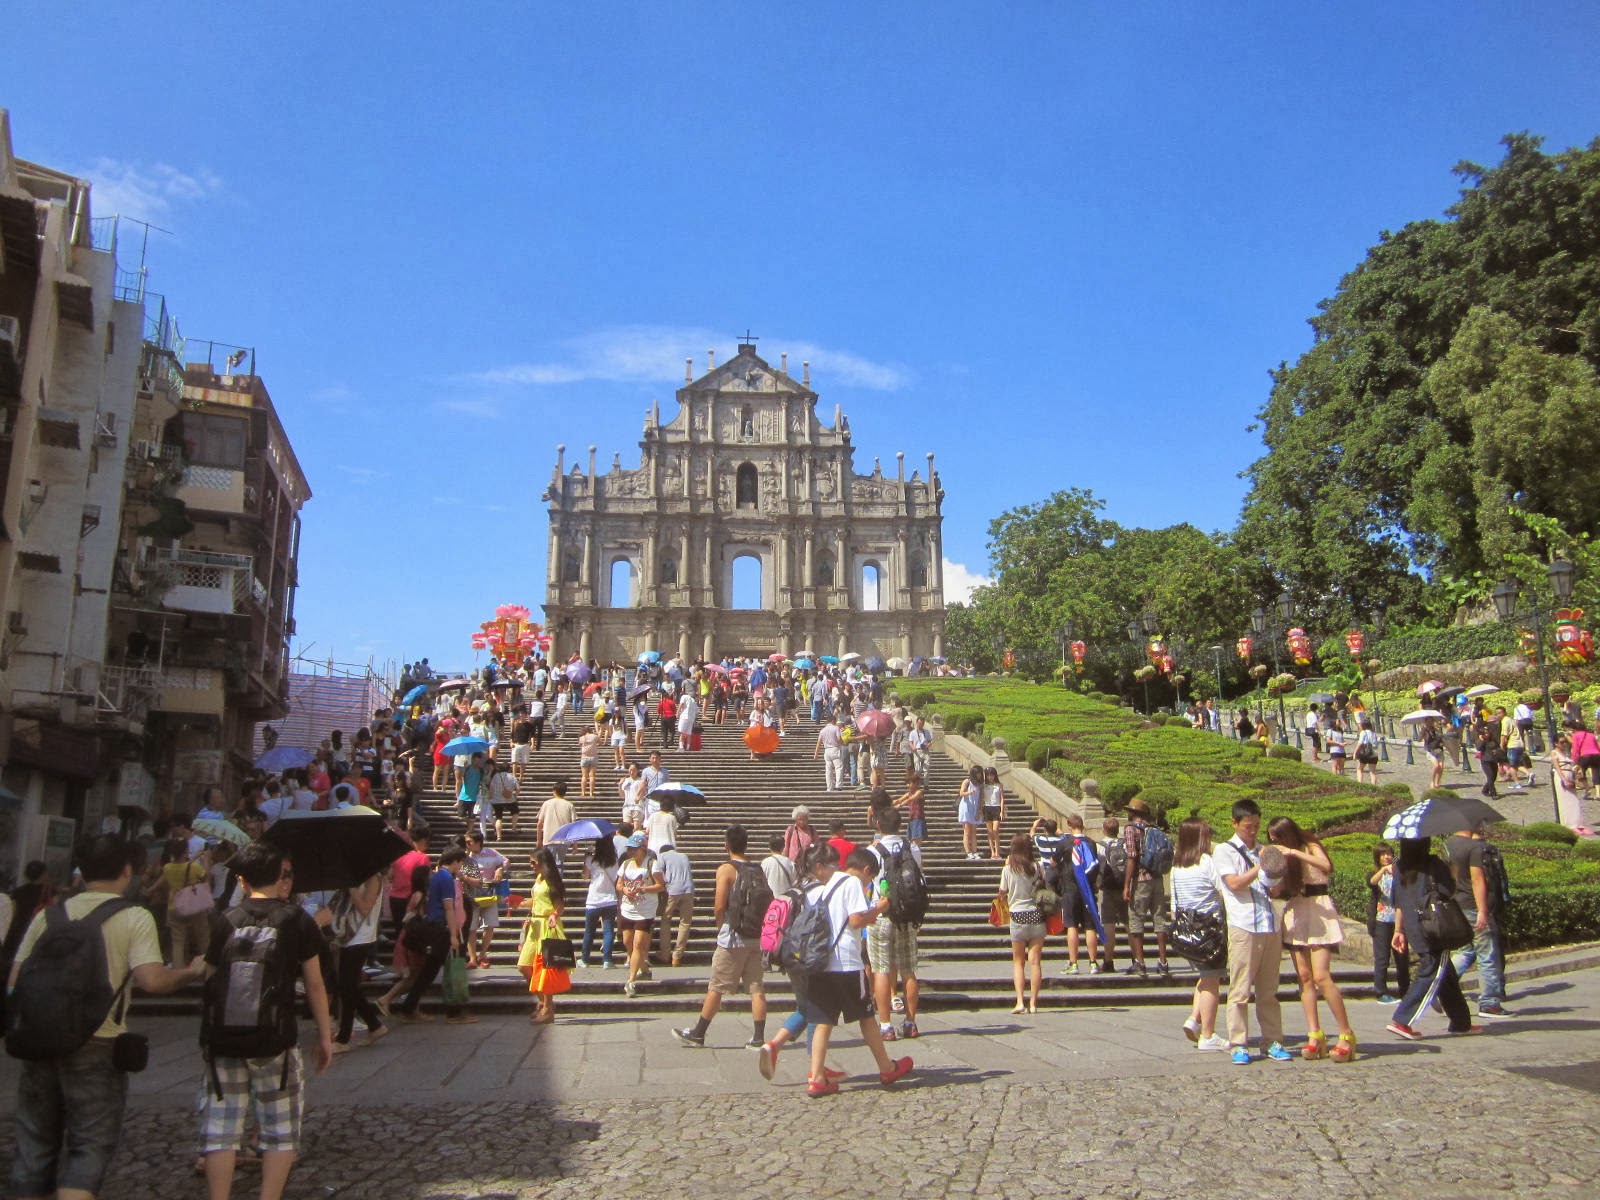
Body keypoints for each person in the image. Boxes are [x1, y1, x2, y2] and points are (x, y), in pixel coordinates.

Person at [8, 836, 203, 1200]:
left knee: (33, 1146)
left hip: (38, 1041)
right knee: (89, 1145)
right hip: (98, 1041)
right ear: (127, 871)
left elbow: (15, 981)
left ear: (82, 872)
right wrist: (190, 973)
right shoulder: (133, 916)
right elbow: (153, 980)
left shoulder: (49, 916)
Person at [197, 841, 334, 1200]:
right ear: (281, 877)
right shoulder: (296, 920)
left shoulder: (225, 919)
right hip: (276, 1036)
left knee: (221, 1130)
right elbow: (315, 985)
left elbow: (210, 982)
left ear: (242, 881)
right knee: (280, 1129)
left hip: (223, 1039)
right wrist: (325, 1035)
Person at [796, 843, 912, 1097]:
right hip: (847, 963)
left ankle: (817, 1077)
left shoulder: (821, 886)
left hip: (821, 963)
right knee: (866, 1016)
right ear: (866, 870)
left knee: (822, 1021)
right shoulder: (850, 882)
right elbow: (856, 920)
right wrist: (879, 909)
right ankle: (886, 1068)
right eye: (871, 878)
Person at [1267, 817, 1357, 1062]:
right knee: (1304, 977)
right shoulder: (1284, 857)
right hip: (1297, 911)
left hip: (1319, 910)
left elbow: (1326, 865)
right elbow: (1278, 889)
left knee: (1321, 976)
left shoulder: (1309, 846)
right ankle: (1314, 1034)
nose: (1275, 842)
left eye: (1277, 837)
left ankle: (1346, 1033)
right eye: (1272, 839)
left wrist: (1295, 853)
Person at [673, 825, 767, 1048]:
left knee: (716, 985)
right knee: (756, 987)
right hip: (756, 935)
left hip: (733, 936)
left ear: (726, 845)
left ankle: (699, 1032)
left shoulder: (726, 869)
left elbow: (718, 906)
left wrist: (720, 927)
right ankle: (758, 1037)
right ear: (746, 844)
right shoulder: (757, 869)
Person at [1214, 799, 1293, 1064]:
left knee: (1269, 990)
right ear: (1235, 823)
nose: (1253, 831)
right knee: (1240, 989)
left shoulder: (1263, 850)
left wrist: (1276, 872)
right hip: (1244, 925)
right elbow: (1234, 883)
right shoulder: (1224, 851)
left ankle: (1272, 1040)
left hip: (1269, 923)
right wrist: (1260, 866)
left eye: (1256, 826)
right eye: (1248, 826)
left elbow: (1276, 890)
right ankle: (1238, 1042)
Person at [1386, 839, 1481, 1040]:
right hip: (1433, 926)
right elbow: (1448, 891)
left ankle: (1461, 1022)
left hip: (1413, 926)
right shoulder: (1433, 863)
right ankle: (1402, 1020)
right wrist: (1452, 872)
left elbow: (1397, 901)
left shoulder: (1399, 867)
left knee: (1445, 973)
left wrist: (1398, 930)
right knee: (1431, 969)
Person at [1170, 817, 1229, 1051]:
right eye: (1207, 834)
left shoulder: (1177, 865)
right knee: (1212, 981)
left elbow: (1174, 906)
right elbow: (1224, 889)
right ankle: (1208, 1034)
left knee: (1206, 976)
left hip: (1186, 930)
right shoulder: (1206, 861)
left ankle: (1194, 1019)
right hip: (1209, 930)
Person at [396, 848, 475, 1025]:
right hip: (443, 930)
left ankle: (408, 1007)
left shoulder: (437, 876)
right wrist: (454, 935)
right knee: (451, 970)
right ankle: (453, 1013)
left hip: (435, 928)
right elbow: (449, 908)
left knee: (429, 972)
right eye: (461, 863)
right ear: (455, 861)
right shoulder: (446, 878)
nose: (460, 867)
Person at [867, 805, 922, 1041]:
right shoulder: (913, 848)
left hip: (881, 914)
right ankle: (910, 1022)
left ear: (878, 824)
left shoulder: (873, 851)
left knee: (881, 969)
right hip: (907, 916)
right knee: (908, 970)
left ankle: (886, 1025)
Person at [1447, 821, 1511, 1019]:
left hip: (1457, 904)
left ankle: (1440, 986)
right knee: (1487, 953)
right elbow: (1478, 880)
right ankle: (1489, 1003)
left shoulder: (1448, 844)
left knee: (1465, 951)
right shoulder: (1474, 847)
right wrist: (1483, 910)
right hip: (1473, 905)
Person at [330, 871, 388, 1054]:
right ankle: (374, 1025)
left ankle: (344, 1038)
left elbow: (365, 908)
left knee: (347, 986)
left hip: (361, 937)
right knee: (348, 986)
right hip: (349, 936)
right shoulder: (361, 877)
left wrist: (352, 888)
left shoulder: (373, 878)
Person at [518, 848, 569, 1024]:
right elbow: (537, 901)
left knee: (545, 967)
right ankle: (543, 1002)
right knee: (524, 966)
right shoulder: (539, 879)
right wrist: (521, 903)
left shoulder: (551, 880)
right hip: (535, 925)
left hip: (547, 925)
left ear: (542, 862)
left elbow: (560, 904)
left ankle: (547, 1009)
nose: (531, 865)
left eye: (533, 862)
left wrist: (554, 915)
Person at [1120, 798, 1170, 977]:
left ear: (1133, 813)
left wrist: (1126, 885)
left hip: (1140, 879)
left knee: (1136, 920)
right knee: (1160, 921)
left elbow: (1132, 857)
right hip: (1157, 879)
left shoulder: (1131, 829)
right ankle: (1163, 962)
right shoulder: (1154, 829)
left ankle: (1140, 963)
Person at [998, 832, 1047, 1014]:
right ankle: (1033, 1003)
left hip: (1017, 915)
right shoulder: (1038, 866)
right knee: (1035, 962)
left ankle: (1020, 1001)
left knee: (1018, 962)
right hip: (1036, 915)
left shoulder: (1008, 869)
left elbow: (1002, 892)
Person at [617, 833, 664, 998]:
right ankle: (643, 968)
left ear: (643, 849)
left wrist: (644, 889)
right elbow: (619, 884)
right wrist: (624, 890)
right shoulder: (626, 864)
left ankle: (631, 981)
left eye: (634, 849)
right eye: (630, 849)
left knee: (638, 944)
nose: (631, 852)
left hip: (646, 910)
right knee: (627, 942)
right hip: (628, 908)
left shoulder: (652, 864)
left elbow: (661, 885)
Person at [1057, 814, 1104, 975]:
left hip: (1070, 889)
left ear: (1069, 826)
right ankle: (1093, 963)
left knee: (1071, 926)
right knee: (1090, 926)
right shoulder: (1091, 843)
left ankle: (1073, 963)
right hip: (1088, 890)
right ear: (1082, 826)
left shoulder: (1064, 843)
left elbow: (1053, 863)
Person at [1367, 843, 1410, 1003]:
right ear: (1378, 857)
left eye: (1389, 854)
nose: (1387, 857)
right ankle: (1381, 992)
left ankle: (1405, 991)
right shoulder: (1376, 873)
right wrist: (1383, 870)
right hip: (1381, 920)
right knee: (1382, 958)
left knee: (1402, 957)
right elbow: (1371, 882)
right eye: (1383, 854)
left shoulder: (1399, 872)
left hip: (1399, 921)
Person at [464, 832, 508, 969]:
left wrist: (500, 869)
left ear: (478, 842)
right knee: (471, 927)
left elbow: (505, 861)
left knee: (489, 925)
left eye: (469, 842)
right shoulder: (465, 856)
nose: (467, 844)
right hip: (471, 894)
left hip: (489, 892)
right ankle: (472, 958)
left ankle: (482, 954)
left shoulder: (491, 853)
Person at [580, 835, 621, 969]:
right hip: (610, 899)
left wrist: (585, 859)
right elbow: (616, 878)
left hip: (593, 900)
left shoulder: (591, 860)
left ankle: (585, 959)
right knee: (608, 931)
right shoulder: (614, 861)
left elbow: (585, 876)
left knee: (589, 931)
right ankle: (607, 960)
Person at [655, 841, 694, 966]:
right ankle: (677, 956)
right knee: (685, 922)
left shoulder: (662, 856)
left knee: (666, 920)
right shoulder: (684, 856)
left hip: (673, 889)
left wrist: (663, 884)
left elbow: (658, 872)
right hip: (688, 889)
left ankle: (665, 953)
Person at [536, 782, 576, 850]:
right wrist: (575, 843)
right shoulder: (569, 805)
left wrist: (538, 840)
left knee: (549, 857)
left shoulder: (546, 804)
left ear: (554, 791)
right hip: (563, 840)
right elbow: (573, 825)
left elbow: (539, 824)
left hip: (549, 839)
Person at [813, 715, 846, 792]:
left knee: (828, 769)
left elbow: (819, 743)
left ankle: (829, 787)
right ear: (833, 721)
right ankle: (838, 785)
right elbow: (839, 739)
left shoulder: (822, 730)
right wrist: (843, 743)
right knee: (838, 767)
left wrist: (816, 754)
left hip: (827, 750)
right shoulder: (836, 728)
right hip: (835, 749)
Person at [980, 766, 1005, 860]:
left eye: (992, 775)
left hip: (996, 807)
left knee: (995, 830)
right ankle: (992, 852)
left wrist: (1002, 811)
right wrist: (980, 810)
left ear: (995, 775)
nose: (990, 777)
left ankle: (997, 852)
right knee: (990, 832)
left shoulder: (999, 785)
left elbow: (1002, 798)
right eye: (988, 775)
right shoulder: (984, 786)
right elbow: (982, 798)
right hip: (987, 808)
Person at [1354, 719, 1380, 784]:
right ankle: (1373, 787)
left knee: (1359, 769)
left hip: (1365, 753)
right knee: (1372, 772)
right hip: (1373, 753)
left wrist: (1355, 752)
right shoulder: (1374, 733)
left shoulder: (1363, 732)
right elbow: (1376, 745)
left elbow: (1360, 743)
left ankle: (1360, 784)